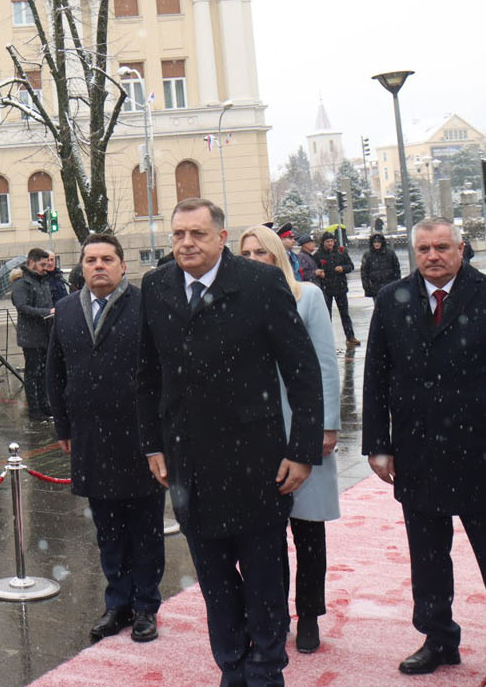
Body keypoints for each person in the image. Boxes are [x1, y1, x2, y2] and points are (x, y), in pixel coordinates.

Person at [135, 198, 323, 687]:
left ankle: (266, 669)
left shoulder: (260, 284)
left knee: (263, 576)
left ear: (221, 237)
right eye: (178, 234)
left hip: (257, 461)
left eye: (197, 234)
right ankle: (232, 666)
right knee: (215, 581)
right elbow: (147, 375)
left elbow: (301, 371)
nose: (186, 243)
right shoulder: (156, 286)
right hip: (187, 461)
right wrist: (152, 445)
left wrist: (302, 451)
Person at [363, 217, 486, 687]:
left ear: (461, 248)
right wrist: (378, 446)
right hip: (418, 455)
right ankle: (438, 639)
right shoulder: (391, 300)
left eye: (442, 246)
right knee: (427, 560)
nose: (433, 256)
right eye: (423, 248)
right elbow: (376, 379)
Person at [46, 233, 164, 645]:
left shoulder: (145, 306)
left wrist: (162, 436)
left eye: (107, 259)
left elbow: (163, 371)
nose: (99, 266)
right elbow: (54, 373)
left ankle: (146, 605)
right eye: (91, 259)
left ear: (122, 266)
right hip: (90, 439)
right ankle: (118, 604)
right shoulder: (64, 310)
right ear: (81, 267)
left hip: (139, 439)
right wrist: (63, 427)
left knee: (145, 528)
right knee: (108, 530)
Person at [239, 226, 341, 655]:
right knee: (264, 535)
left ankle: (311, 614)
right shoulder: (234, 302)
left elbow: (323, 362)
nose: (254, 258)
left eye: (262, 252)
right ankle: (273, 612)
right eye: (246, 252)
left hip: (301, 424)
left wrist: (327, 424)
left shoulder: (307, 296)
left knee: (308, 531)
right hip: (254, 434)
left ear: (278, 254)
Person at [11, 248, 56, 421]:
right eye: (43, 264)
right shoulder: (22, 282)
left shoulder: (42, 280)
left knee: (44, 372)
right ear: (32, 263)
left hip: (45, 334)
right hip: (31, 337)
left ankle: (45, 405)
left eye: (48, 264)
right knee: (33, 373)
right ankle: (34, 408)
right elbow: (23, 307)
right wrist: (47, 312)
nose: (46, 268)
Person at [312, 232, 358, 347]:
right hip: (326, 288)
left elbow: (351, 266)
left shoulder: (341, 252)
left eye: (332, 241)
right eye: (328, 242)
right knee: (327, 315)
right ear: (323, 243)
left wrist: (343, 268)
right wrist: (319, 274)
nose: (330, 244)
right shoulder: (318, 255)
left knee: (345, 314)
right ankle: (327, 339)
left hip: (340, 287)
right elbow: (314, 270)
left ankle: (350, 336)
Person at [359, 232, 401, 299]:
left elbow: (396, 269)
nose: (377, 244)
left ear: (382, 243)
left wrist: (397, 283)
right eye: (375, 242)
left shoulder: (390, 253)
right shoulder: (367, 255)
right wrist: (366, 287)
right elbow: (364, 273)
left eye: (378, 242)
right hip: (375, 288)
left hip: (389, 286)